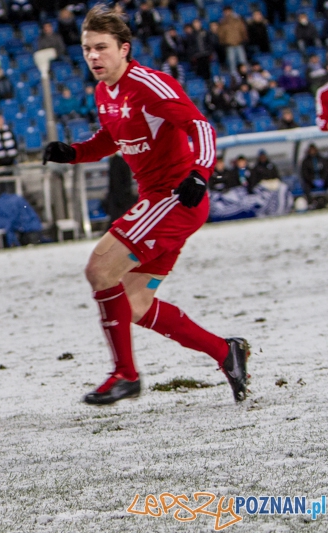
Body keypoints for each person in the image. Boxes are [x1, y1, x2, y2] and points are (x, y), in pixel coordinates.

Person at [41, 5, 249, 406]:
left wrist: (200, 174)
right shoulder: (105, 92)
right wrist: (74, 153)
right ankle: (226, 352)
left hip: (175, 196)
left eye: (101, 48)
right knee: (135, 304)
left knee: (100, 269)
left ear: (124, 48)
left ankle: (125, 374)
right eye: (86, 49)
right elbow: (112, 138)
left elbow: (201, 126)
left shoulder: (150, 84)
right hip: (158, 200)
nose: (93, 57)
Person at [105, 152, 136, 224]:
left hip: (122, 196)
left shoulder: (120, 161)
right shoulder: (112, 161)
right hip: (115, 195)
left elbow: (126, 180)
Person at [217, 6, 248, 76]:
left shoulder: (237, 20)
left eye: (228, 11)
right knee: (232, 62)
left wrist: (244, 39)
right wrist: (223, 43)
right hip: (229, 45)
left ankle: (245, 75)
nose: (227, 13)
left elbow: (242, 30)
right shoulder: (222, 22)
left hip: (239, 43)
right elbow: (220, 34)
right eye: (226, 12)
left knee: (243, 60)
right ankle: (235, 77)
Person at [300, 143, 328, 208]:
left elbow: (326, 171)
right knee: (305, 186)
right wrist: (312, 180)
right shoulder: (306, 161)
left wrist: (323, 179)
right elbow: (305, 174)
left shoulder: (322, 159)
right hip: (311, 182)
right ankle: (311, 203)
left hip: (323, 180)